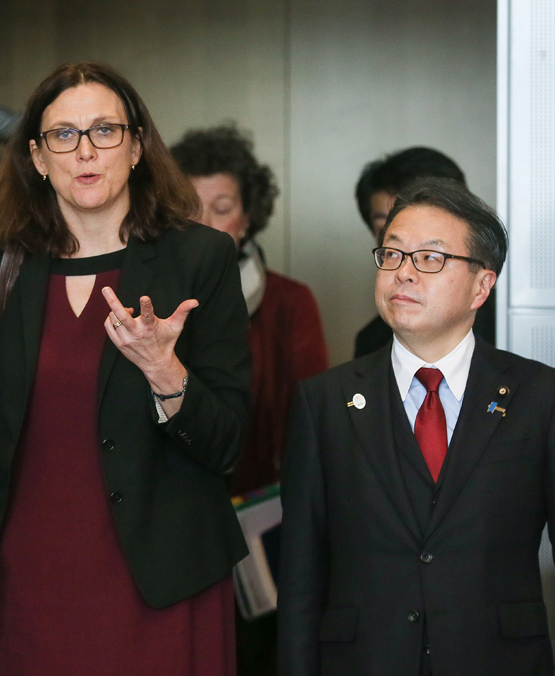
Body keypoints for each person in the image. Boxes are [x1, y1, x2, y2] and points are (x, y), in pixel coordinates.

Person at [0, 62, 251, 675]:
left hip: (159, 586)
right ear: (37, 156)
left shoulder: (200, 258)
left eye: (105, 131)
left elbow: (230, 442)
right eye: (63, 136)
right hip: (29, 584)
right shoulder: (3, 267)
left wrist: (166, 373)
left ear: (136, 147)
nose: (85, 151)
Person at [278, 177, 555, 676]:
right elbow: (300, 576)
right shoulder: (323, 402)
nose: (403, 274)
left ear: (481, 285)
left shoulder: (545, 399)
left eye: (430, 258)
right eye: (392, 255)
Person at [171, 123, 328, 675]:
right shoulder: (149, 297)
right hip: (171, 526)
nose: (206, 223)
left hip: (263, 524)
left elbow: (310, 426)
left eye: (222, 206)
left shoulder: (289, 302)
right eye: (191, 206)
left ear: (249, 215)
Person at [352, 146, 495, 357]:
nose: (405, 272)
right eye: (388, 227)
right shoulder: (371, 341)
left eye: (430, 255)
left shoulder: (507, 327)